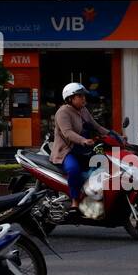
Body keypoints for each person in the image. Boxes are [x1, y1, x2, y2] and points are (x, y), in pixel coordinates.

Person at [48, 82, 98, 214]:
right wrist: (83, 140)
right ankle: (75, 201)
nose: (83, 99)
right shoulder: (62, 112)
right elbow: (67, 133)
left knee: (101, 166)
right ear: (70, 98)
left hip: (82, 150)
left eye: (84, 96)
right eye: (80, 96)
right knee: (74, 169)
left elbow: (96, 126)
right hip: (66, 151)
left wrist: (115, 136)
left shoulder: (84, 110)